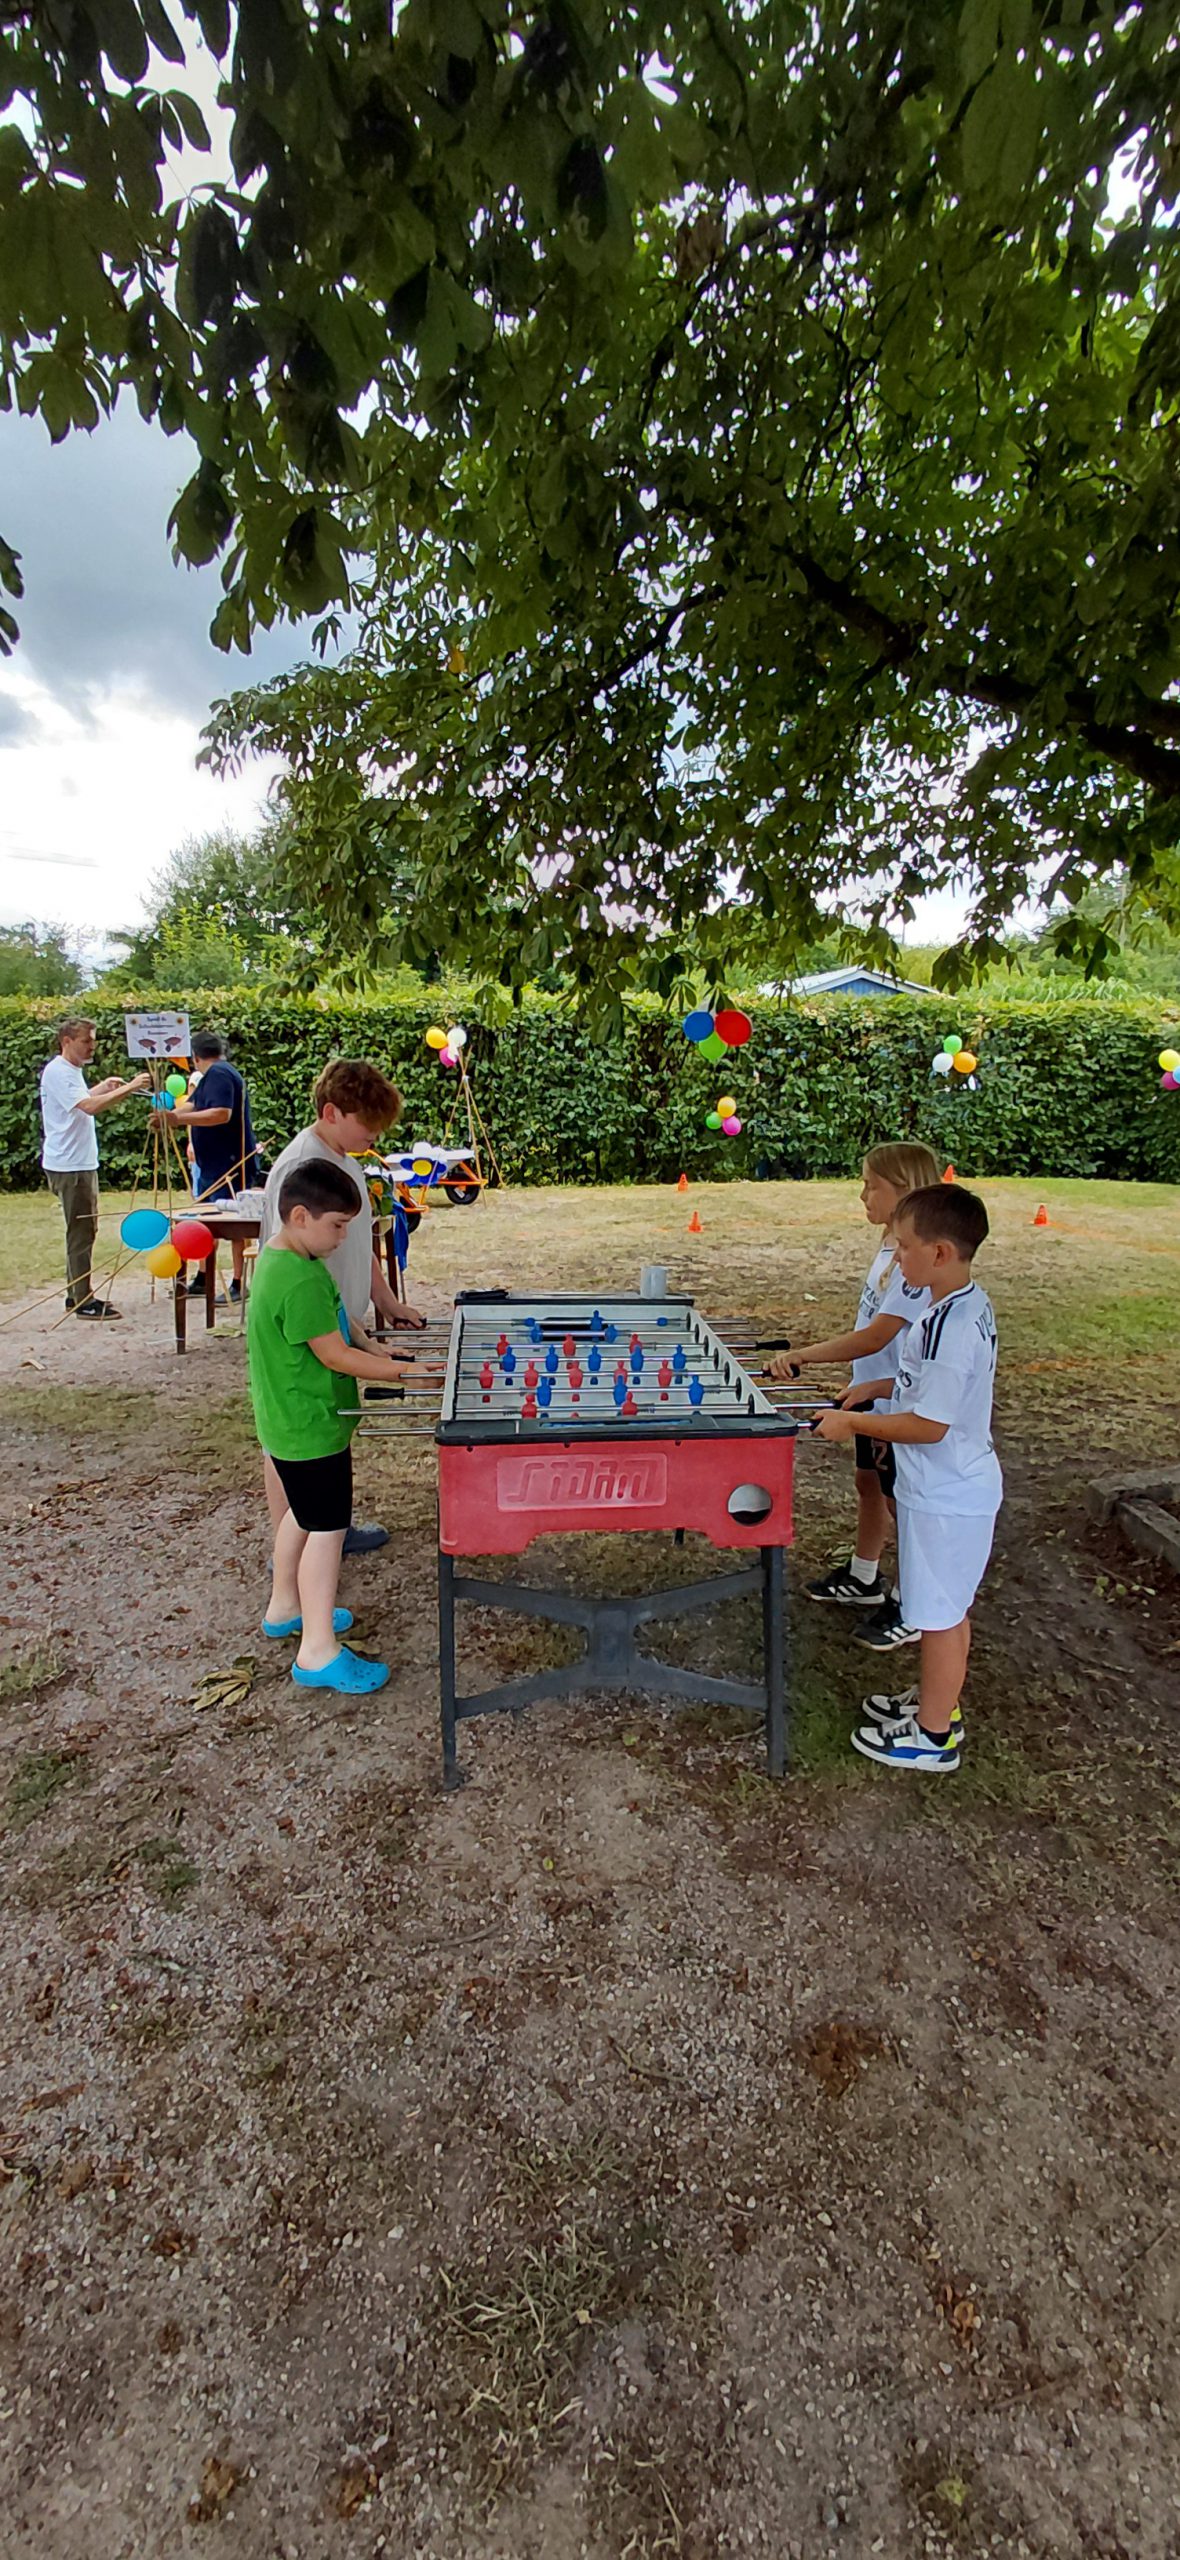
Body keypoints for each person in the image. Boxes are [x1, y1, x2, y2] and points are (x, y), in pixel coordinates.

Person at [815, 1183, 1002, 1774]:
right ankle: (935, 1704)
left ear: (939, 1253)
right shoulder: (954, 1305)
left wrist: (851, 1422)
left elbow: (929, 1425)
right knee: (946, 1609)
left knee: (940, 1619)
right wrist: (877, 1387)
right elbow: (925, 1389)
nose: (896, 1260)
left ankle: (933, 1735)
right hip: (946, 1489)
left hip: (946, 1495)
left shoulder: (950, 1327)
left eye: (904, 1248)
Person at [247, 1159, 416, 1694]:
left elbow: (340, 1320)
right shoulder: (297, 1278)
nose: (344, 1237)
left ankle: (284, 1606)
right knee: (327, 1528)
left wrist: (376, 1347)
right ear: (301, 1216)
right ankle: (317, 1650)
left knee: (301, 1515)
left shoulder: (285, 1257)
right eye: (338, 1225)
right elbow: (334, 1355)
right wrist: (403, 1373)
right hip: (310, 1424)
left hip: (286, 1419)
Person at [767, 1142, 942, 1648]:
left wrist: (804, 1355)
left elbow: (876, 1336)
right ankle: (865, 1576)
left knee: (900, 1501)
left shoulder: (913, 1261)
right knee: (869, 1483)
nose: (863, 1195)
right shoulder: (891, 1246)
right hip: (872, 1395)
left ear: (905, 1190)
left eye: (872, 1186)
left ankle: (915, 1601)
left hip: (899, 1404)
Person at [259, 1057, 427, 1558]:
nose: (374, 1134)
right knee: (295, 1442)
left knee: (327, 1434)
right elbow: (293, 1265)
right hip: (311, 1330)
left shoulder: (347, 1159)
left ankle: (328, 1526)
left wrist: (385, 1301)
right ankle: (297, 1543)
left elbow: (358, 1243)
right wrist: (364, 1344)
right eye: (366, 1123)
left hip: (337, 1323)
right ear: (332, 1112)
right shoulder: (301, 1167)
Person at [39, 1018, 153, 1319]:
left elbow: (79, 1100)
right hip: (70, 1165)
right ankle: (82, 1299)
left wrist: (102, 1087)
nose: (92, 1046)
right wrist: (130, 1088)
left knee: (82, 1229)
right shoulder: (59, 1071)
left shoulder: (70, 1071)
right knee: (81, 1231)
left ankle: (75, 1293)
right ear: (66, 1041)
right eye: (86, 1041)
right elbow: (88, 1107)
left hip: (77, 1162)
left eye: (93, 1040)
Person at [158, 1030, 261, 1302]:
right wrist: (168, 1116)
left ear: (194, 1057)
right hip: (214, 1164)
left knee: (236, 1223)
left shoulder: (220, 1074)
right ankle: (204, 1277)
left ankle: (239, 1282)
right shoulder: (211, 1076)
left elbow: (221, 1113)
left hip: (230, 1164)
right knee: (205, 1221)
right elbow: (193, 1104)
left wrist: (177, 1120)